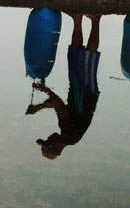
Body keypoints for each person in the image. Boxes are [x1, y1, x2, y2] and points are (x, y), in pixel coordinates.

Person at [26, 13, 102, 159]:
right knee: (89, 57)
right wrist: (47, 90)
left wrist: (39, 107)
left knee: (74, 54)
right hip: (86, 92)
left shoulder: (70, 137)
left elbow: (61, 109)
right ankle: (96, 19)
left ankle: (77, 19)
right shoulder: (68, 133)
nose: (48, 137)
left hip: (79, 90)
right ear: (54, 146)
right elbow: (60, 105)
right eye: (48, 141)